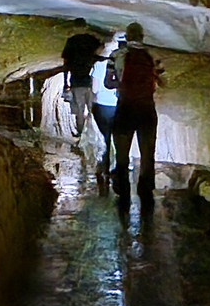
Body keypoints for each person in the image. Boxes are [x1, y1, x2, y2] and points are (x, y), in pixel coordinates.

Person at [105, 21, 164, 211]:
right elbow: (164, 82)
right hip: (146, 109)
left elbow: (108, 83)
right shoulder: (153, 56)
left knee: (122, 155)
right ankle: (145, 192)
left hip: (125, 109)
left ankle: (122, 192)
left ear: (127, 37)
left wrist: (121, 86)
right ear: (142, 36)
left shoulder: (116, 55)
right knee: (148, 154)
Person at [90, 35, 120, 193]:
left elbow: (95, 88)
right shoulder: (121, 61)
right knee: (119, 136)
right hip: (119, 104)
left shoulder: (99, 64)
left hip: (102, 105)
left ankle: (105, 168)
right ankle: (121, 168)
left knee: (105, 138)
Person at [61, 31, 102, 140]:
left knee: (80, 109)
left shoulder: (72, 42)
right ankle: (93, 132)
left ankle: (81, 133)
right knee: (90, 108)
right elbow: (100, 47)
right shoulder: (89, 40)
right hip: (88, 81)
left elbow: (66, 63)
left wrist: (65, 82)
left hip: (77, 82)